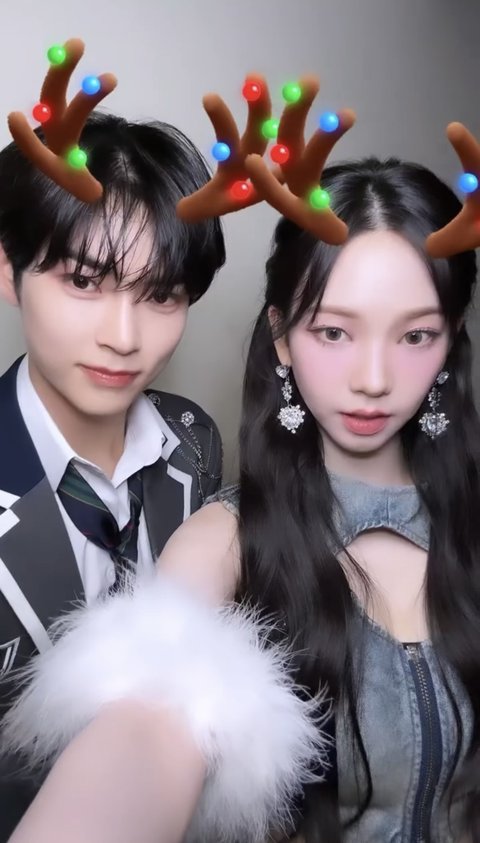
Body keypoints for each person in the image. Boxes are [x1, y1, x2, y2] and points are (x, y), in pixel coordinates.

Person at [3, 148, 480, 842]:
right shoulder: (225, 535)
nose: (374, 378)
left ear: (451, 341)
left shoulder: (189, 440)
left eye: (416, 335)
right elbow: (154, 702)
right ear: (282, 336)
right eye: (334, 331)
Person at [0, 109, 226, 839]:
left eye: (161, 294)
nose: (124, 338)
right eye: (84, 280)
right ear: (8, 269)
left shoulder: (194, 441)